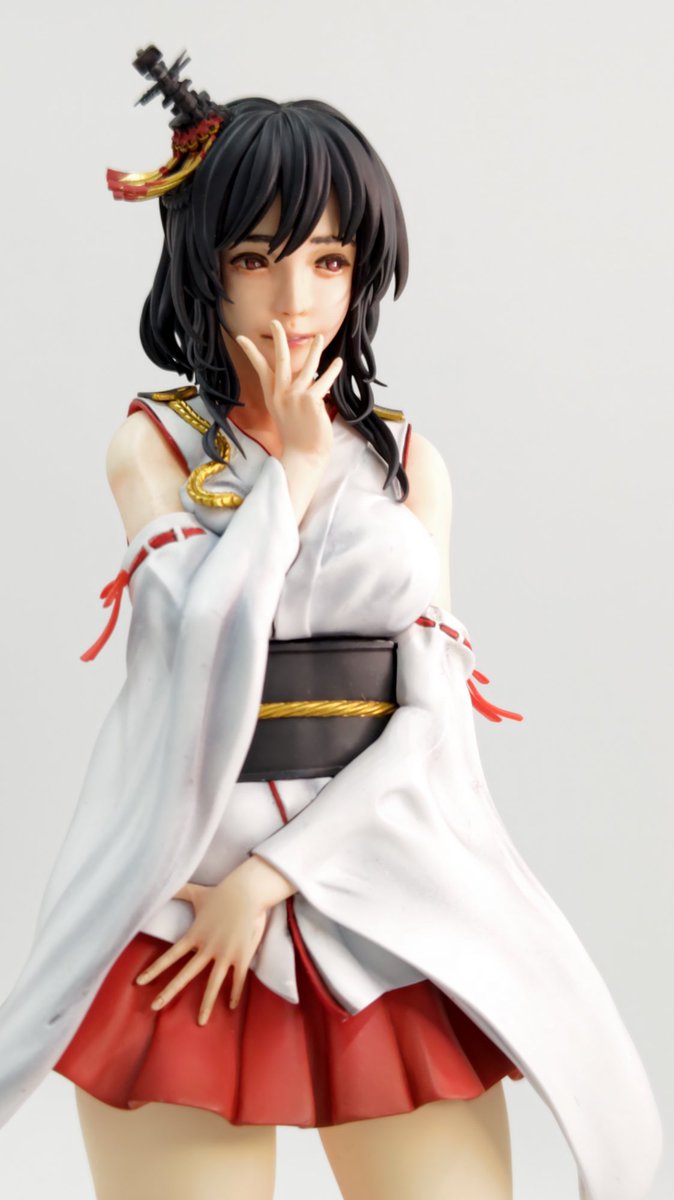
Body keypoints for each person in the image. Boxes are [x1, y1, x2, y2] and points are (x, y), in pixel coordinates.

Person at [0, 46, 661, 1200]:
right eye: (256, 258)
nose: (295, 300)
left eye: (327, 259)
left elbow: (432, 725)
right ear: (204, 267)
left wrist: (277, 876)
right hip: (182, 900)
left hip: (381, 884)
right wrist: (293, 477)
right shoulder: (153, 445)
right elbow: (201, 652)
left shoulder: (406, 461)